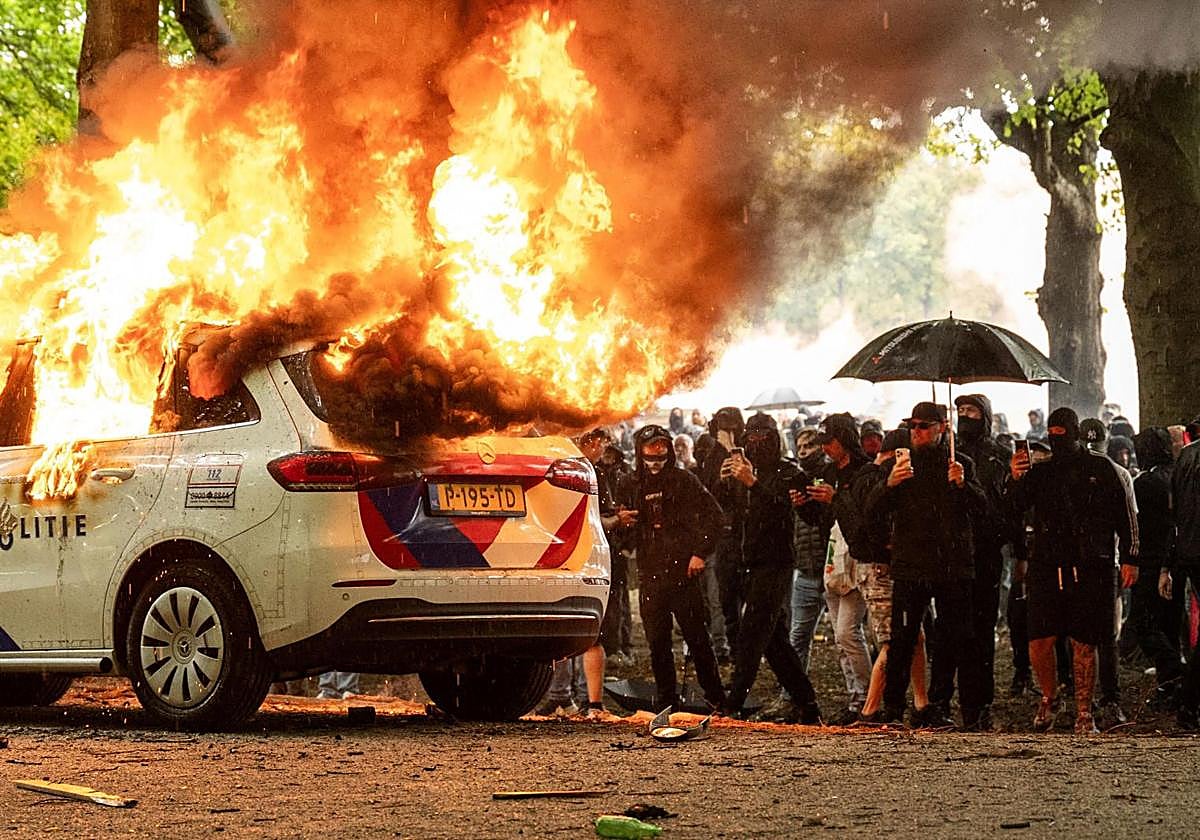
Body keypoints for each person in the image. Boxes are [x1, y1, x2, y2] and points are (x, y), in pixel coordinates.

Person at [1006, 408, 1138, 734]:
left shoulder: (1102, 469)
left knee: (1085, 640)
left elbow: (1125, 515)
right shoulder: (1041, 472)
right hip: (1048, 563)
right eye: (1052, 435)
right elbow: (1012, 508)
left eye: (1061, 434)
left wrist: (1131, 557)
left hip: (1090, 564)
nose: (1056, 440)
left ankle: (1084, 711)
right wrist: (1015, 477)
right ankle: (1050, 697)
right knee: (1040, 639)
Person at [864, 402, 987, 728]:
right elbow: (872, 510)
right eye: (912, 426)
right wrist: (890, 484)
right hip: (911, 565)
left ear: (942, 428)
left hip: (951, 566)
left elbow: (983, 510)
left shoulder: (960, 464)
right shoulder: (902, 467)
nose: (916, 432)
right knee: (902, 640)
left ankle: (953, 707)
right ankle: (894, 709)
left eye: (923, 426)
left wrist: (962, 485)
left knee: (956, 639)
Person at [618, 425, 727, 712]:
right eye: (650, 450)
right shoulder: (630, 483)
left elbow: (715, 517)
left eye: (661, 449)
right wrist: (623, 524)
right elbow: (621, 529)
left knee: (697, 638)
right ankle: (667, 701)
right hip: (650, 573)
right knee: (657, 642)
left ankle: (716, 698)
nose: (656, 457)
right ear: (640, 451)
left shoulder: (684, 480)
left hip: (683, 572)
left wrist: (700, 553)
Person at [723, 413, 822, 724]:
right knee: (774, 641)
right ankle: (807, 703)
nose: (756, 443)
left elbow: (790, 510)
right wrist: (725, 480)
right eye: (751, 437)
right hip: (747, 563)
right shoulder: (743, 471)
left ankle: (733, 703)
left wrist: (752, 484)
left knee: (752, 634)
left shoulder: (788, 473)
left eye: (762, 437)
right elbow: (730, 512)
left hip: (776, 562)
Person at [943, 394, 1017, 730]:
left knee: (982, 631)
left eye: (971, 410)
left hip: (985, 553)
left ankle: (979, 703)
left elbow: (1001, 508)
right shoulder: (949, 452)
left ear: (984, 415)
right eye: (960, 410)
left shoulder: (998, 455)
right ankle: (946, 700)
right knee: (951, 630)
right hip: (952, 554)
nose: (964, 415)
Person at [799, 412, 873, 725]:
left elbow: (862, 517)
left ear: (843, 440)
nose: (825, 448)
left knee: (847, 632)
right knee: (842, 638)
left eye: (829, 441)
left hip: (856, 560)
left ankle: (870, 698)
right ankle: (856, 699)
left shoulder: (865, 471)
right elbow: (822, 520)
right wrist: (805, 506)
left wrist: (835, 498)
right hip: (833, 559)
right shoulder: (829, 472)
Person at [1080, 416, 1141, 727]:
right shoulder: (1073, 471)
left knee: (1105, 634)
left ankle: (1108, 698)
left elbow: (1129, 520)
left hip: (1106, 562)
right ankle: (1088, 698)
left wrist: (1129, 558)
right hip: (1088, 561)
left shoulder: (1116, 473)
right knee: (1089, 633)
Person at [1130, 427, 1182, 708]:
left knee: (1144, 622)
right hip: (1173, 559)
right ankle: (1171, 685)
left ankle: (1173, 673)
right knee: (1168, 622)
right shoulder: (1176, 474)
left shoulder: (1145, 482)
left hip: (1151, 561)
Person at [699, 406, 749, 653]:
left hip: (747, 533)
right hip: (725, 536)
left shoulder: (748, 451)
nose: (729, 434)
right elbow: (708, 497)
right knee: (725, 598)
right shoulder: (712, 457)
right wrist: (721, 480)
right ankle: (734, 647)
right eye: (724, 429)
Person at [1165, 425, 1200, 729]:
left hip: (1190, 552)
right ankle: (1188, 702)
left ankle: (1188, 702)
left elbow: (1174, 512)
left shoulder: (1186, 457)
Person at [789, 428, 828, 670]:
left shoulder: (831, 476)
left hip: (831, 568)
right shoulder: (796, 480)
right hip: (805, 568)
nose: (804, 452)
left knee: (847, 637)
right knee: (798, 635)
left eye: (809, 445)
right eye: (801, 447)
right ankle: (793, 687)